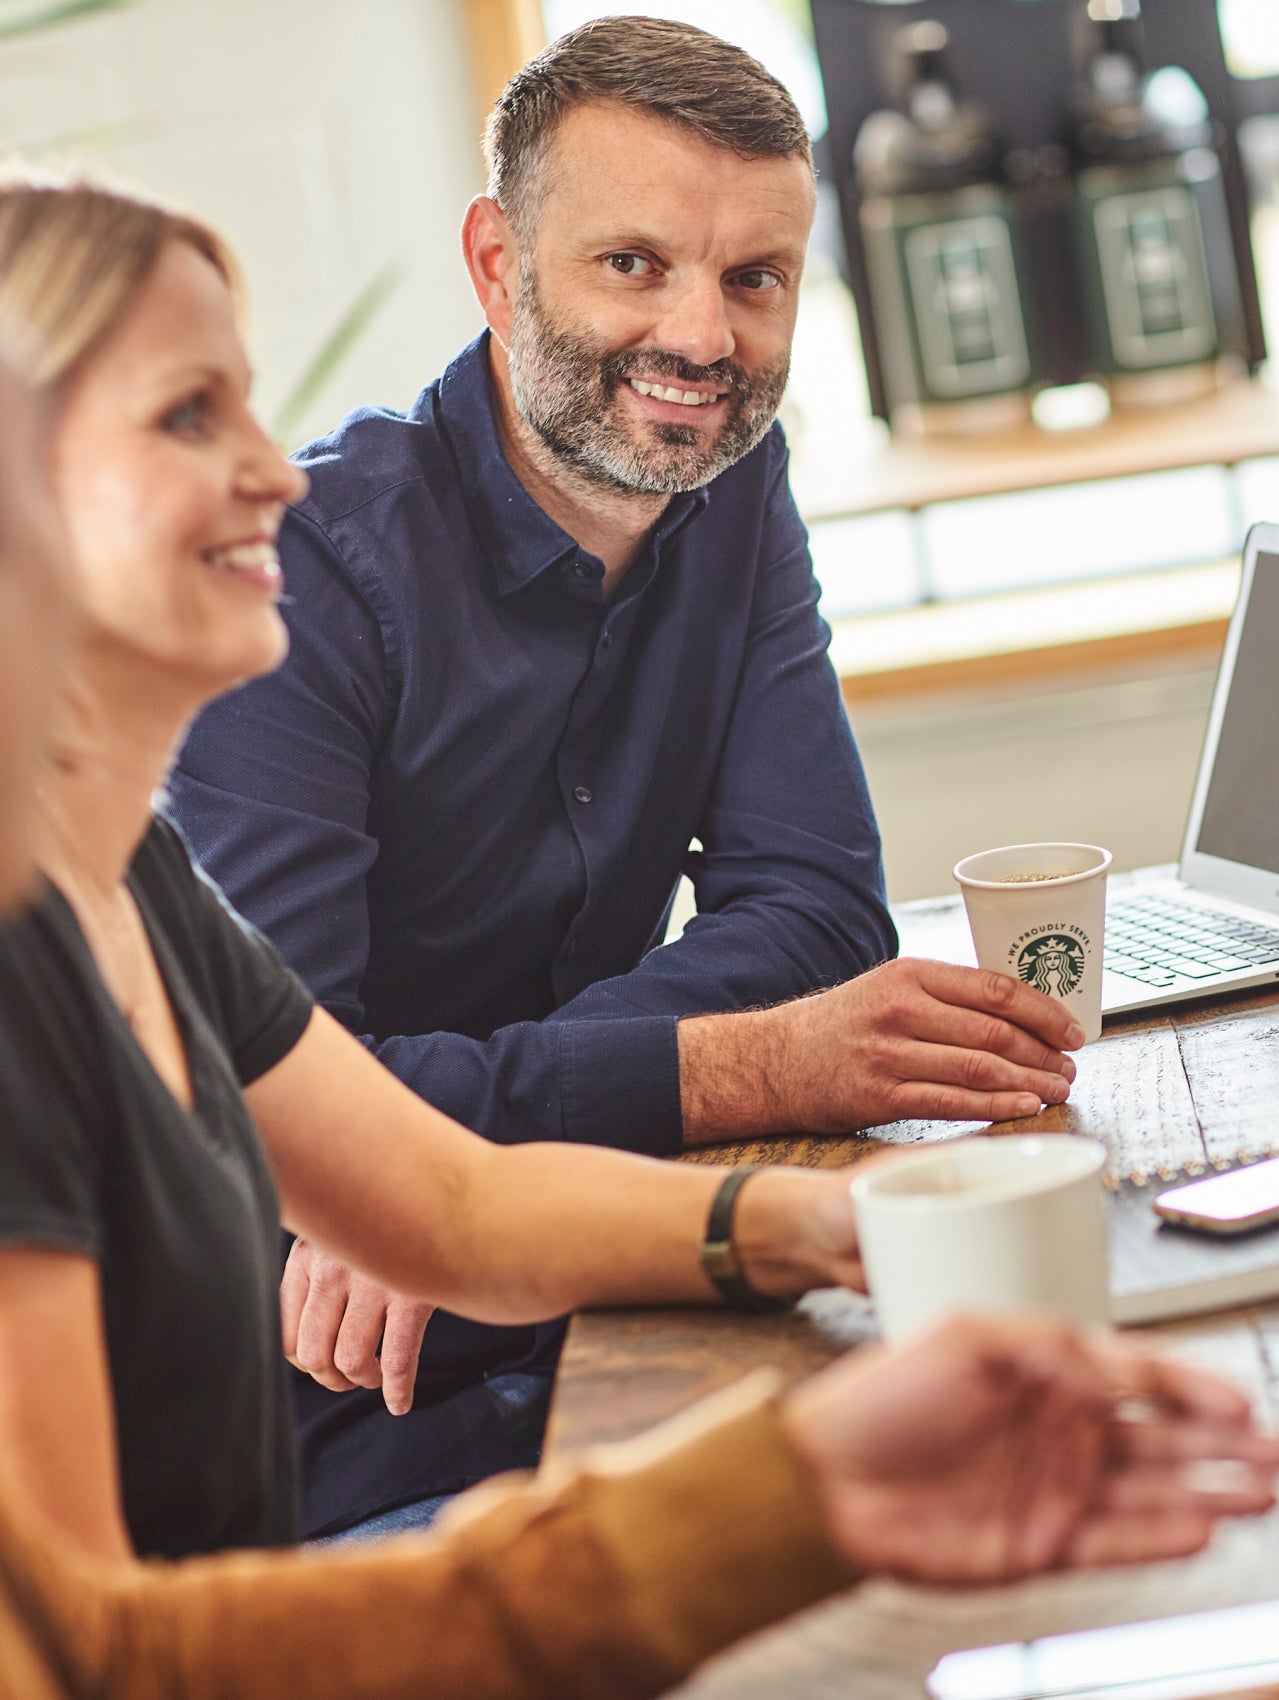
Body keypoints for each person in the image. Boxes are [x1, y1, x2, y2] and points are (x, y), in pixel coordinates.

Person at [0, 207, 1279, 1700]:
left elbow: (452, 1200)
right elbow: (98, 1662)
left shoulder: (128, 885)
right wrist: (763, 1503)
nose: (270, 474)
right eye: (185, 416)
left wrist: (855, 1228)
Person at [168, 14, 1086, 1538]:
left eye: (754, 279)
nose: (703, 341)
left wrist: (438, 1154)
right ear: (494, 264)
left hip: (611, 1290)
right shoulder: (297, 585)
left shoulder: (728, 488)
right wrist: (748, 1061)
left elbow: (815, 909)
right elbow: (292, 1112)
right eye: (632, 264)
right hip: (329, 1424)